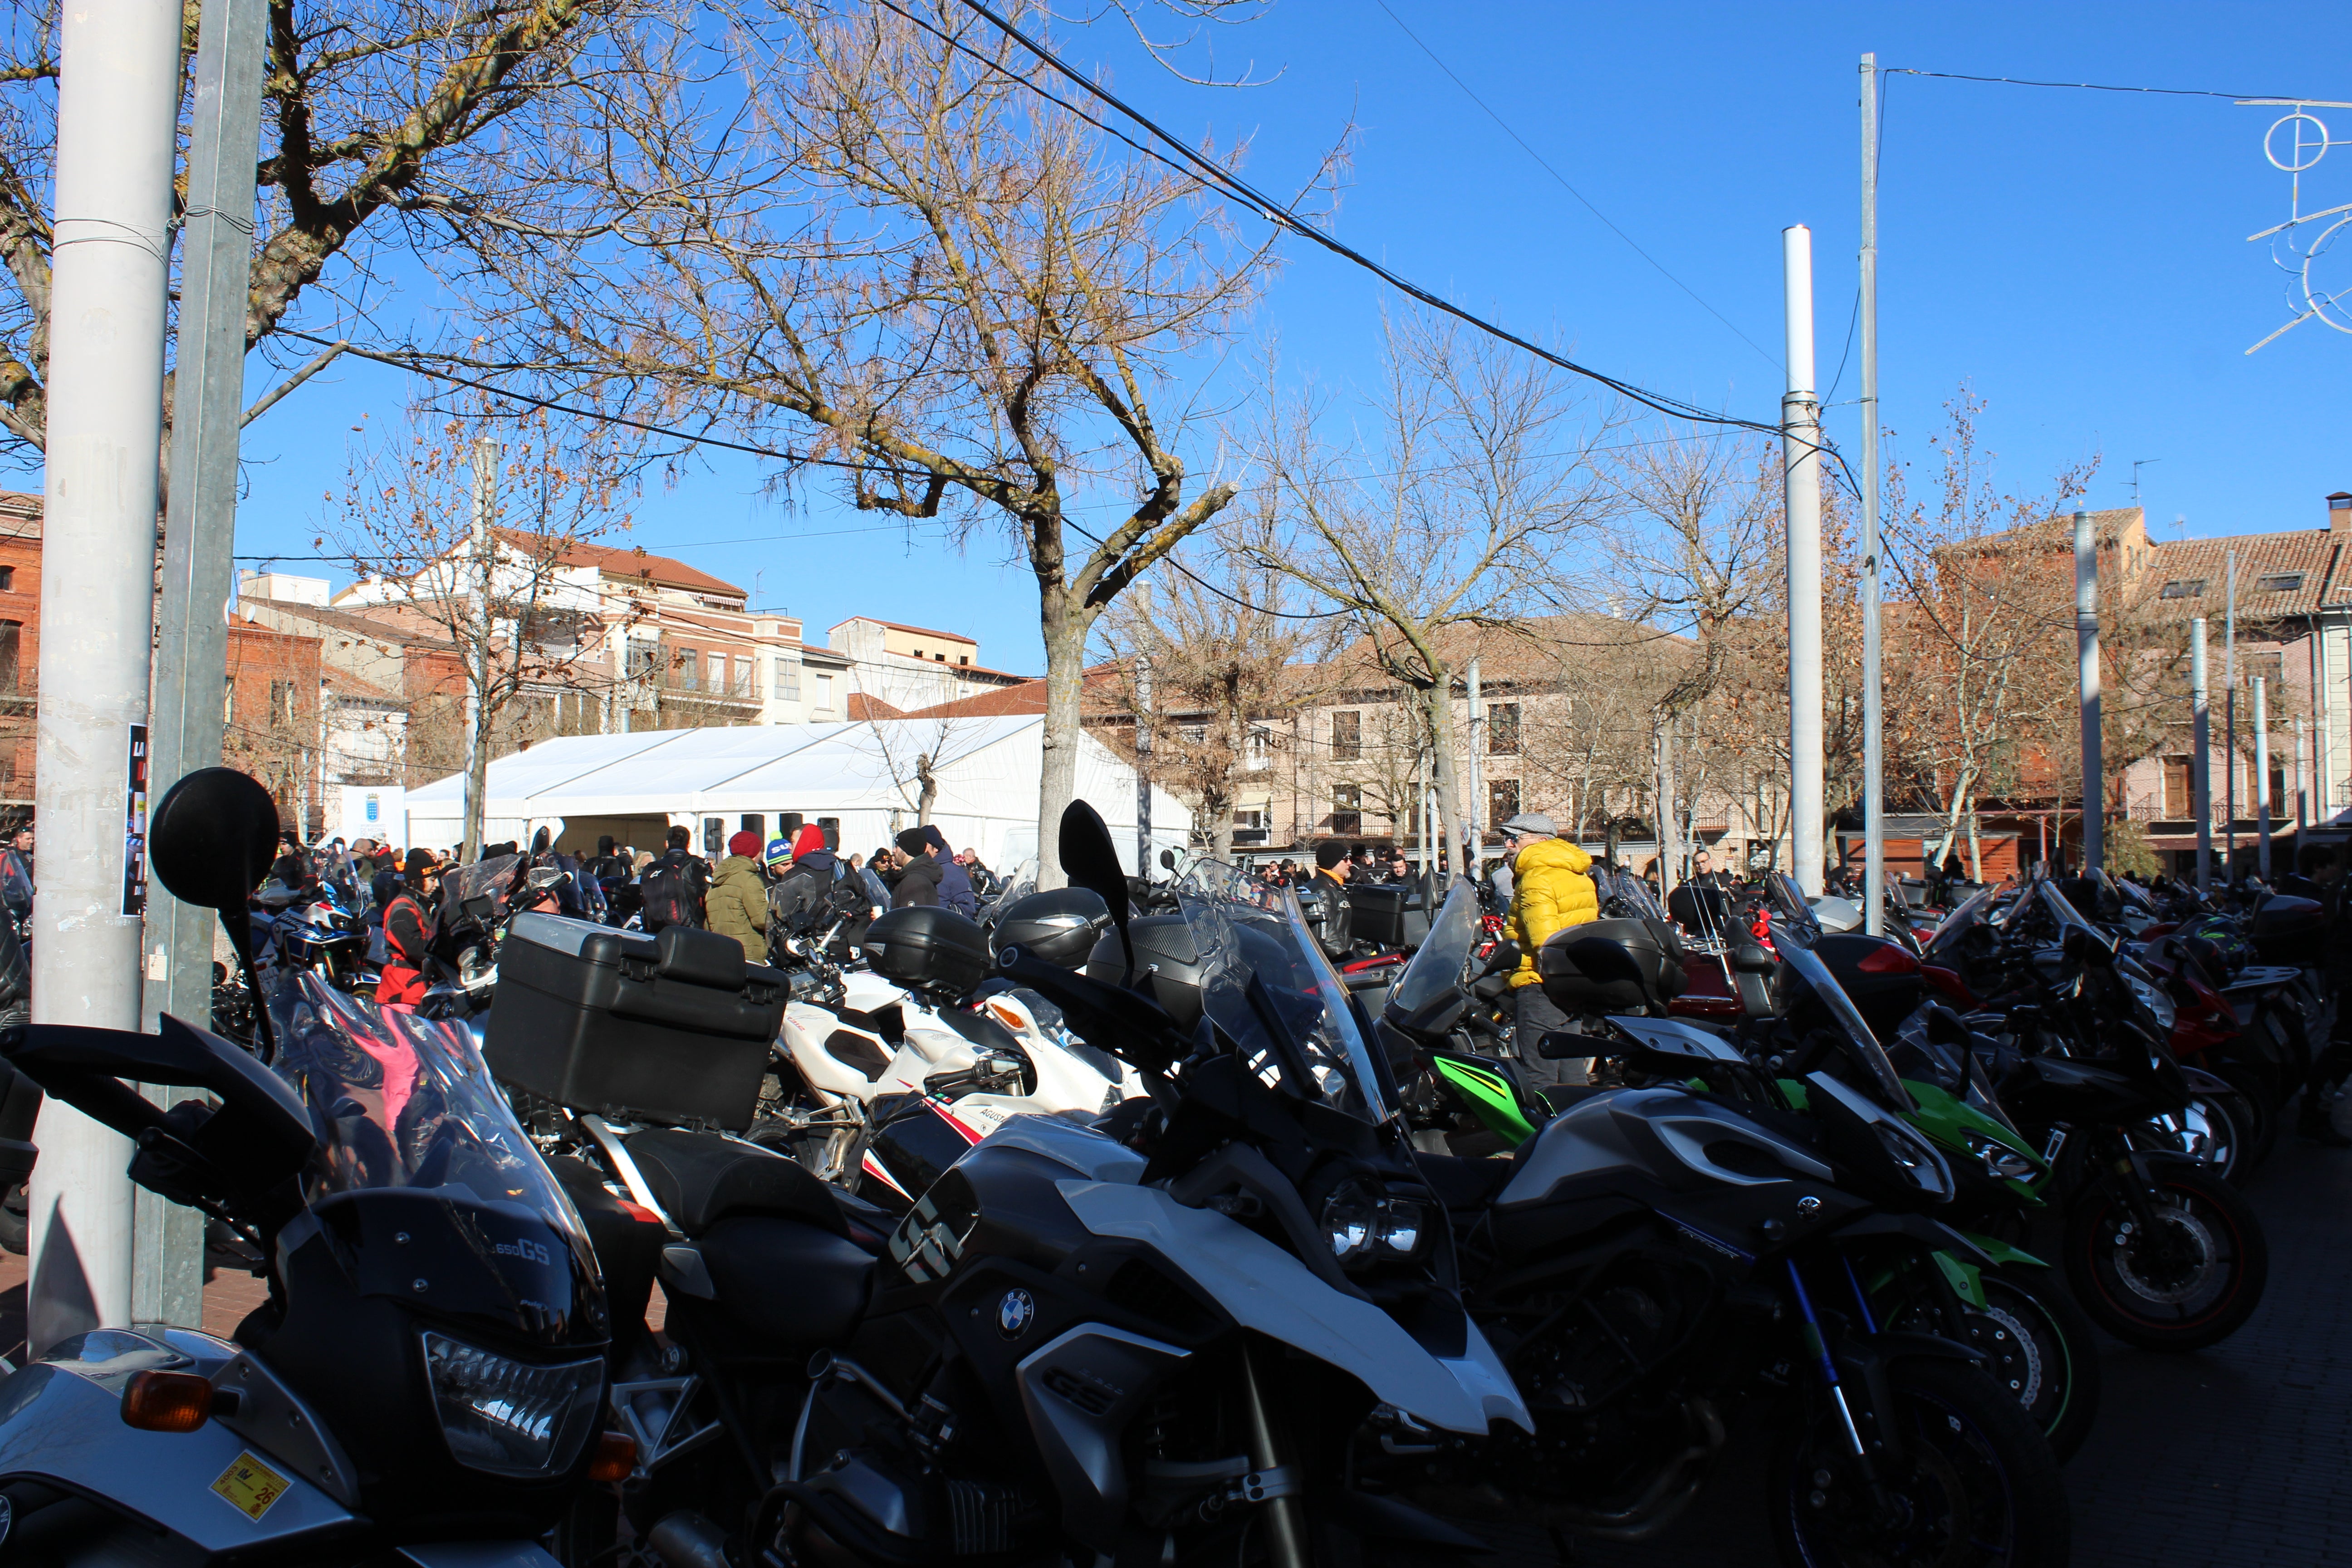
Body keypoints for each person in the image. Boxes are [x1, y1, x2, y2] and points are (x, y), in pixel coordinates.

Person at [1499, 812, 1599, 1088]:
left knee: (1539, 1078)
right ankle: (1581, 1128)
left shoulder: (1536, 878)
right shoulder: (1577, 874)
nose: (1508, 844)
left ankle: (1544, 1131)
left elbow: (1546, 943)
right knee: (1572, 1076)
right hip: (1572, 983)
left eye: (1514, 838)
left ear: (1542, 841)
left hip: (1539, 984)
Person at [377, 849, 440, 1011]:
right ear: (416, 881)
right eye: (432, 880)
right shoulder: (403, 909)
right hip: (402, 991)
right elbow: (416, 949)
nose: (437, 885)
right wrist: (444, 945)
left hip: (416, 986)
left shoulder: (419, 903)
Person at [706, 830, 771, 962]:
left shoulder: (717, 881)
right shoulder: (748, 879)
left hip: (722, 953)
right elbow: (762, 919)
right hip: (747, 954)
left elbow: (708, 924)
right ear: (755, 852)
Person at [768, 824, 840, 935]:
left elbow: (783, 913)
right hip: (839, 938)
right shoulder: (841, 867)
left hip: (807, 941)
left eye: (792, 842)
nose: (789, 847)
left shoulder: (796, 874)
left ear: (805, 842)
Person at [639, 825, 711, 933]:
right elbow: (710, 894)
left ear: (667, 844)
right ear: (689, 844)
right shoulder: (696, 864)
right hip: (689, 931)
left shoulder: (651, 868)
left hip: (656, 931)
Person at [1307, 839, 1356, 959]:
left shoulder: (1333, 886)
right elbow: (1328, 938)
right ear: (1332, 864)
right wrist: (1350, 962)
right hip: (1336, 966)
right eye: (1345, 859)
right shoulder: (1323, 891)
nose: (1350, 863)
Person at [923, 825, 979, 918]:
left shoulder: (954, 872)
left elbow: (967, 911)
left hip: (939, 928)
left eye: (923, 844)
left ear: (936, 848)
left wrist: (941, 916)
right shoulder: (918, 869)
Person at [891, 828, 944, 908]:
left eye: (897, 846)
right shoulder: (915, 875)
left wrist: (885, 920)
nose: (894, 851)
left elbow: (910, 918)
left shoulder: (914, 881)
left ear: (906, 850)